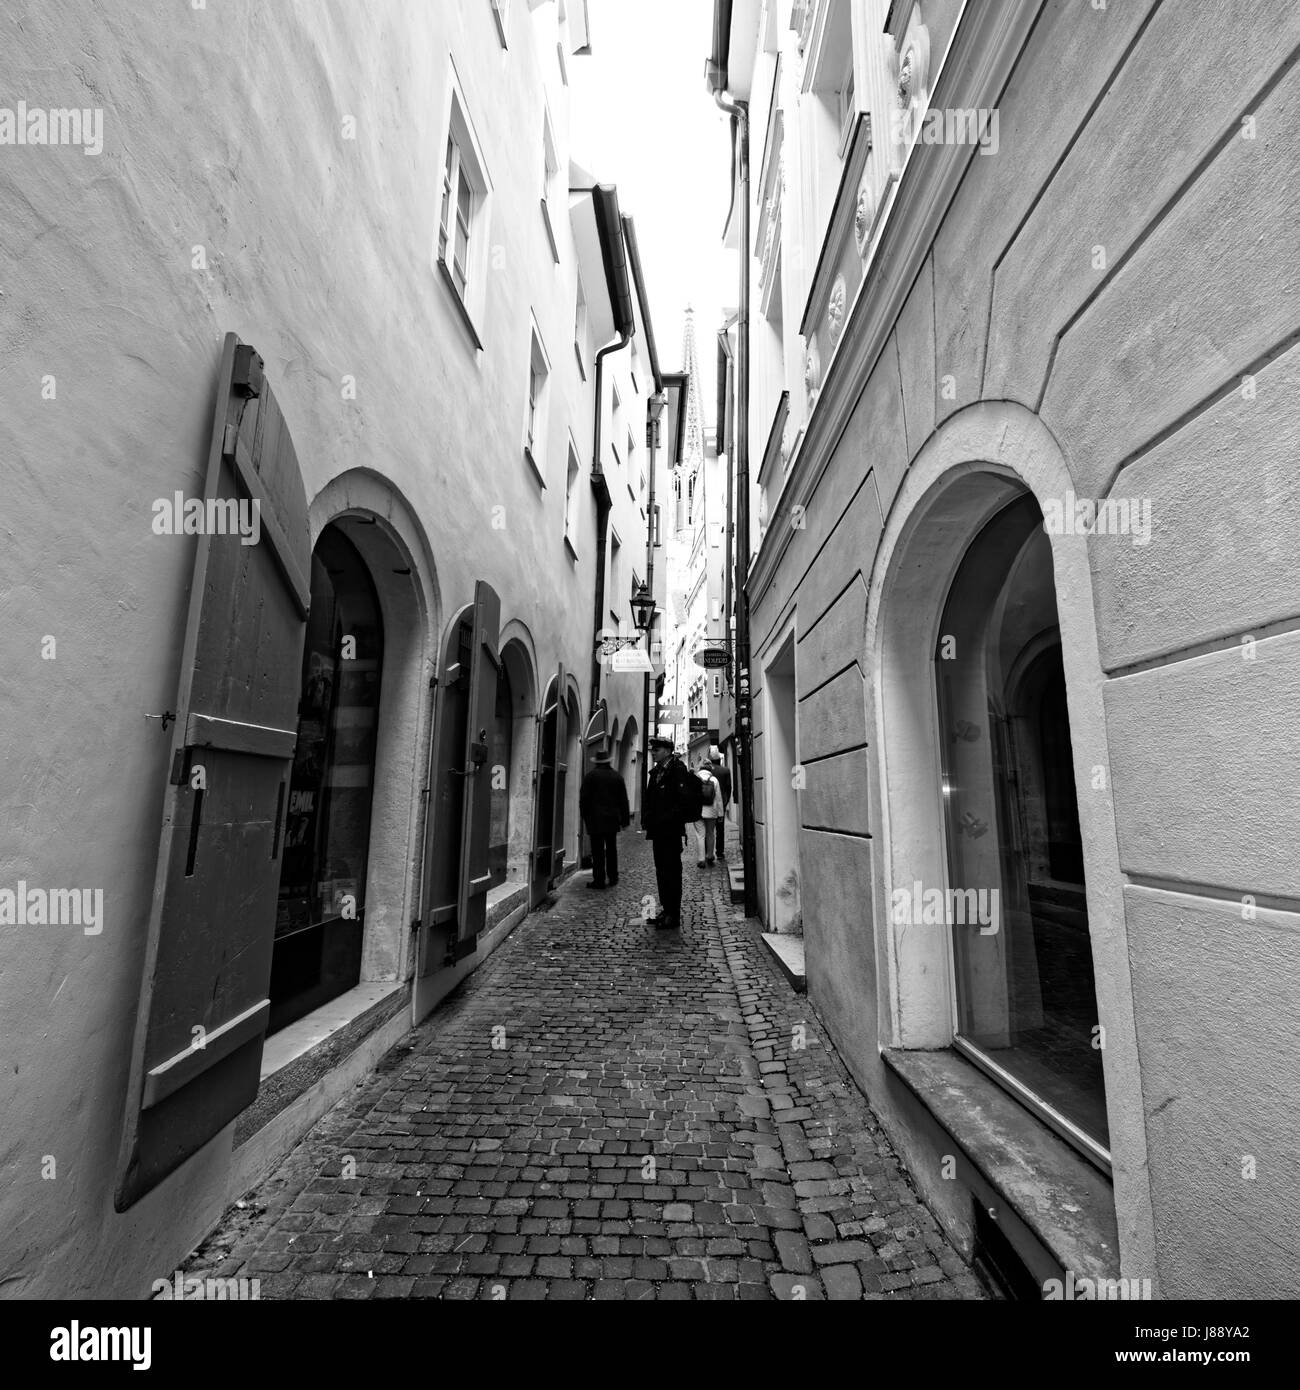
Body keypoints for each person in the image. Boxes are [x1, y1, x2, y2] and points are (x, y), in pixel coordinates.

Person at [642, 735, 697, 929]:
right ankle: (666, 909)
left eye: (656, 750)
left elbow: (682, 803)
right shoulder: (657, 771)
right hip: (659, 831)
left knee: (672, 872)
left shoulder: (677, 770)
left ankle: (673, 914)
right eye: (652, 750)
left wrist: (664, 818)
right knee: (662, 872)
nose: (653, 753)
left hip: (671, 832)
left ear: (666, 750)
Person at [579, 746, 630, 889]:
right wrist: (625, 820)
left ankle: (599, 880)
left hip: (595, 820)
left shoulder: (590, 776)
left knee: (597, 851)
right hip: (612, 820)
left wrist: (584, 816)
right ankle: (613, 877)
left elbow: (584, 799)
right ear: (608, 761)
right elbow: (623, 800)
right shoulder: (617, 776)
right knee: (611, 849)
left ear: (597, 762)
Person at [694, 759, 720, 867]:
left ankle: (701, 859)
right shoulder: (714, 779)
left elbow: (692, 797)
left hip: (698, 811)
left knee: (700, 835)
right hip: (711, 811)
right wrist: (721, 813)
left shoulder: (695, 779)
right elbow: (718, 798)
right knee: (710, 833)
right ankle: (710, 855)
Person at [709, 747, 732, 863]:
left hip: (708, 805)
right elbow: (729, 789)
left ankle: (708, 852)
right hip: (721, 804)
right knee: (720, 830)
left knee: (708, 830)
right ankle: (720, 852)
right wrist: (725, 802)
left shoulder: (707, 771)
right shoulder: (725, 771)